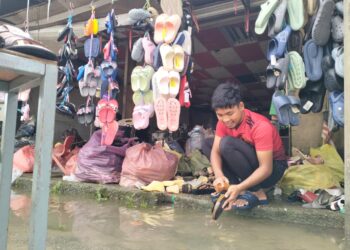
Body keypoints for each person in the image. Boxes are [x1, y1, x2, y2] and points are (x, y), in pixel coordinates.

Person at [202, 82, 288, 210]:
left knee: (226, 144)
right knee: (208, 143)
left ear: (241, 106)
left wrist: (241, 186)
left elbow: (266, 168)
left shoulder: (260, 126)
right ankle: (233, 188)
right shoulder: (222, 123)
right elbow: (215, 151)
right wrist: (219, 176)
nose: (225, 120)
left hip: (273, 169)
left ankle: (257, 193)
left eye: (230, 113)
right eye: (220, 115)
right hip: (251, 165)